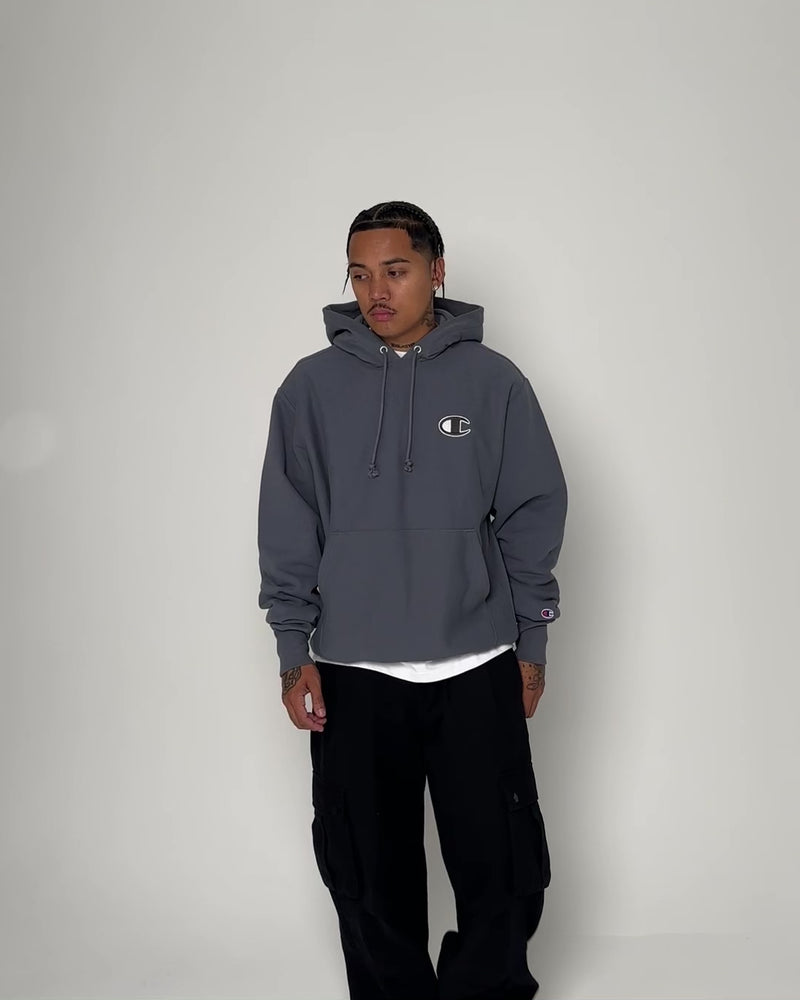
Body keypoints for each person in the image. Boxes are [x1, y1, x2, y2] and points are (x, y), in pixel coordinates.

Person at [257, 201, 568, 1000]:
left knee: (503, 872)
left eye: (394, 271)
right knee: (366, 879)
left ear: (436, 270)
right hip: (354, 670)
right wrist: (293, 653)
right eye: (360, 275)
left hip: (477, 663)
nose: (376, 292)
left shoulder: (495, 383)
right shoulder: (310, 389)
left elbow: (532, 513)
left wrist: (531, 646)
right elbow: (289, 526)